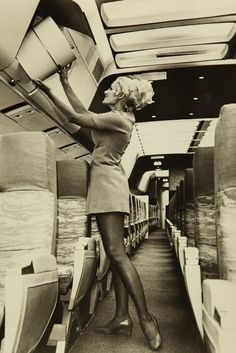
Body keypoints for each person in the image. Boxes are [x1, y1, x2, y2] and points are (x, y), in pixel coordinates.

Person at [34, 68, 162, 351]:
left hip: (107, 186)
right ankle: (121, 317)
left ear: (120, 97)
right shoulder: (117, 117)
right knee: (116, 256)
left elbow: (74, 117)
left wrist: (48, 92)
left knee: (117, 253)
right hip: (107, 183)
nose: (104, 92)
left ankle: (146, 317)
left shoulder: (118, 119)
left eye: (110, 89)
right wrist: (66, 82)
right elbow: (82, 110)